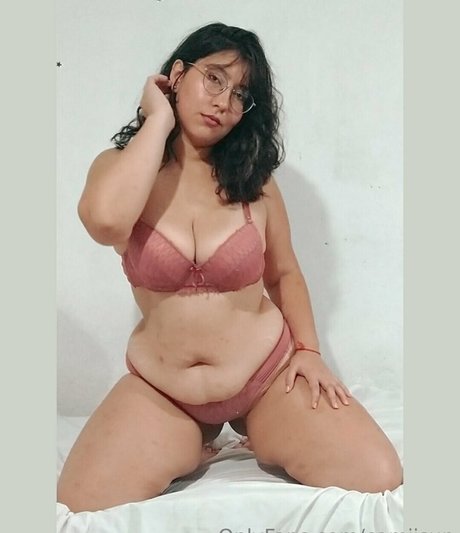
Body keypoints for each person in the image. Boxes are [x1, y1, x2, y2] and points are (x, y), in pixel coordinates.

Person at [57, 22, 403, 512]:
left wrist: (309, 350)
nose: (224, 102)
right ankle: (188, 446)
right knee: (81, 497)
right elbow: (106, 223)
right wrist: (157, 121)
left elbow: (283, 273)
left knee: (377, 474)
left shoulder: (253, 181)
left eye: (241, 94)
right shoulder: (120, 167)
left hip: (264, 379)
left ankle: (266, 432)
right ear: (178, 75)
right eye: (215, 79)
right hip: (164, 390)